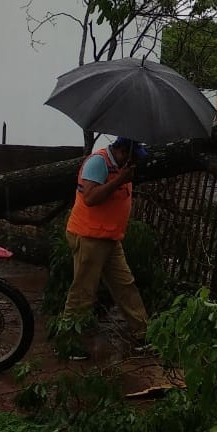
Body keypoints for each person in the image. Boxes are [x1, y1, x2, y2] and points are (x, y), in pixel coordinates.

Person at [60, 136, 150, 358]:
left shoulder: (123, 166)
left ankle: (144, 334)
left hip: (109, 238)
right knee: (83, 291)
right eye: (133, 158)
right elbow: (90, 197)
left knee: (125, 285)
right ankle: (69, 343)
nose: (135, 163)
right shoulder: (97, 163)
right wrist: (119, 180)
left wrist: (123, 177)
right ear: (121, 151)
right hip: (89, 236)